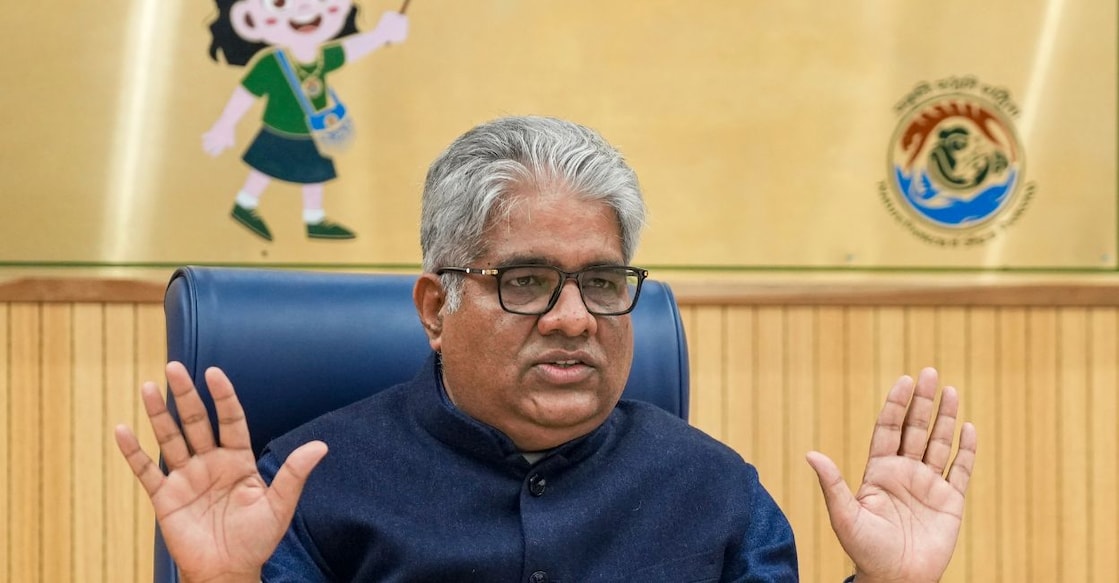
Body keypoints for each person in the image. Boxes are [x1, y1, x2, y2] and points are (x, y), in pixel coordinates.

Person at [116, 116, 977, 582]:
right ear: (436, 305)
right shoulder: (309, 484)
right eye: (526, 281)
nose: (573, 318)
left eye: (603, 283)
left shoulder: (714, 490)